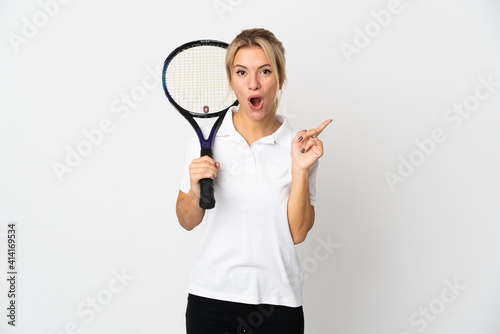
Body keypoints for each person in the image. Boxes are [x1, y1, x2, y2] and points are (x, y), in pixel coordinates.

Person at [176, 28, 332, 334]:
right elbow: (186, 220)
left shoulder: (299, 146)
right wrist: (195, 191)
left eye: (265, 71)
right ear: (232, 82)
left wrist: (299, 168)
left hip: (278, 302)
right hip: (211, 298)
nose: (253, 83)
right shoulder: (206, 140)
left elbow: (298, 233)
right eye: (241, 72)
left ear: (281, 79)